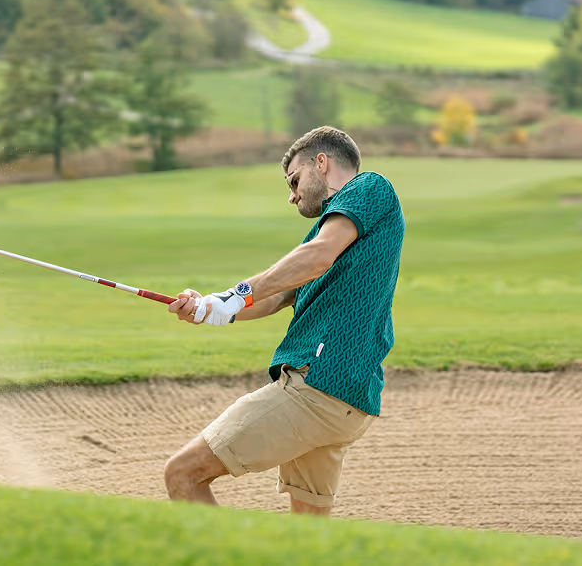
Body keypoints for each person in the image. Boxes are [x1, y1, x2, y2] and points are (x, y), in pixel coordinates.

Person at [163, 126, 404, 516]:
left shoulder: (368, 188)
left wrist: (235, 295)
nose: (292, 195)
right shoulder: (331, 233)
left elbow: (317, 256)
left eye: (294, 179)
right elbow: (275, 296)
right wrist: (210, 307)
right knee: (306, 535)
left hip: (315, 387)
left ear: (322, 163)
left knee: (182, 475)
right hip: (346, 399)